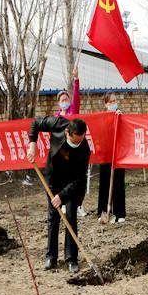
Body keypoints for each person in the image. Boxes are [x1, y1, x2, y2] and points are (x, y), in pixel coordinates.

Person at [27, 116, 90, 273]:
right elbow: (35, 123)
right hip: (54, 179)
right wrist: (32, 144)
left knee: (70, 217)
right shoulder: (58, 124)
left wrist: (62, 196)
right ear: (67, 132)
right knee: (53, 218)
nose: (78, 143)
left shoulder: (84, 149)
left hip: (71, 186)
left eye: (81, 140)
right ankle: (51, 257)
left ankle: (71, 258)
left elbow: (79, 180)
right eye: (75, 141)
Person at [53, 67, 88, 218]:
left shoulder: (72, 112)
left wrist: (76, 79)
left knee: (78, 179)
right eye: (62, 100)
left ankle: (78, 205)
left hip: (75, 152)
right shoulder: (55, 117)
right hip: (63, 152)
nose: (65, 102)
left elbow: (77, 98)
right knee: (64, 178)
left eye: (67, 99)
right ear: (59, 103)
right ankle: (64, 203)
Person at [97, 92, 126, 225]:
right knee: (104, 184)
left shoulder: (120, 116)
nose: (113, 104)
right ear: (106, 104)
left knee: (118, 184)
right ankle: (103, 211)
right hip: (105, 156)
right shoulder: (102, 118)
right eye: (111, 102)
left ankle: (120, 213)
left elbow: (125, 133)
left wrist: (120, 118)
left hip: (119, 155)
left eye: (115, 101)